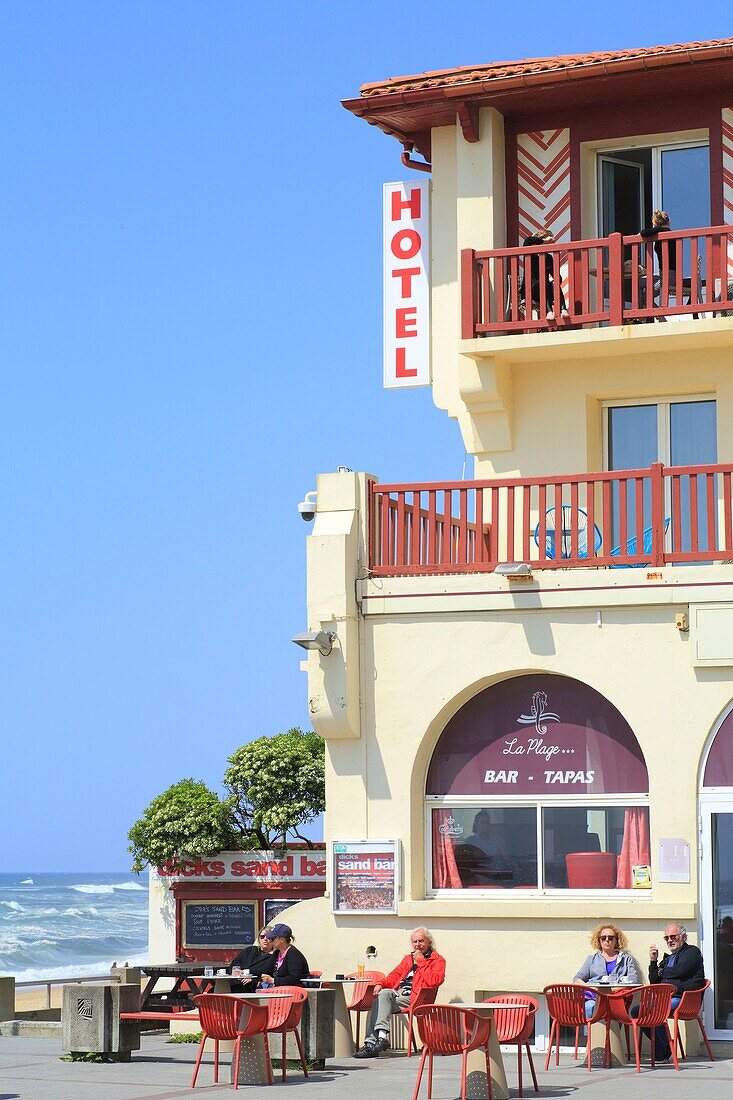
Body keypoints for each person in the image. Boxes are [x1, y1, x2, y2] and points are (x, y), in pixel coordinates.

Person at [354, 927, 445, 1058]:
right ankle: (379, 1039)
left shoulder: (437, 961)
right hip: (399, 994)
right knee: (380, 996)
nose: (418, 945)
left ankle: (373, 1043)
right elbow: (394, 976)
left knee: (380, 999)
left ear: (429, 942)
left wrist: (421, 961)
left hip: (417, 997)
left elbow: (434, 981)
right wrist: (381, 984)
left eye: (421, 941)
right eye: (415, 942)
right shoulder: (408, 959)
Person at [632, 921, 705, 1062]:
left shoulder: (692, 952)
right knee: (637, 1011)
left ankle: (663, 1049)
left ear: (683, 937)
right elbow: (654, 981)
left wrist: (662, 972)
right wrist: (653, 961)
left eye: (673, 937)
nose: (670, 940)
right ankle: (664, 1044)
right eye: (667, 938)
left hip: (684, 999)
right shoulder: (668, 959)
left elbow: (680, 970)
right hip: (666, 999)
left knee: (655, 1010)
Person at [573, 923, 640, 1017]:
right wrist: (592, 989)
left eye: (611, 938)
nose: (607, 940)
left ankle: (610, 1032)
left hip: (617, 997)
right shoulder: (592, 959)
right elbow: (577, 979)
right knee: (589, 1006)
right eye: (603, 938)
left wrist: (613, 990)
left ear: (617, 940)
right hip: (595, 997)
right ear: (599, 941)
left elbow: (634, 980)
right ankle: (589, 1032)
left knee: (616, 1012)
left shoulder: (626, 959)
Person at [520, 228, 568, 319]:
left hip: (544, 289)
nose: (548, 246)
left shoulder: (548, 258)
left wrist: (557, 279)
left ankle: (563, 309)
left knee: (553, 283)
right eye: (546, 243)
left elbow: (556, 276)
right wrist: (544, 240)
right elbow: (527, 241)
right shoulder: (531, 254)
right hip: (531, 289)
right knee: (544, 283)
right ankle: (549, 312)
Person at [258, 923, 310, 987]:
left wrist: (273, 980)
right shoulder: (277, 953)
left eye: (272, 938)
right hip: (280, 990)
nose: (269, 941)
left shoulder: (293, 954)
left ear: (282, 939)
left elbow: (295, 978)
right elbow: (266, 970)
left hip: (293, 992)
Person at [227, 926, 276, 993]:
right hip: (236, 980)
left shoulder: (274, 956)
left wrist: (252, 979)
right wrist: (237, 971)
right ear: (259, 939)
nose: (265, 939)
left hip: (252, 985)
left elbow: (266, 972)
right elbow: (235, 963)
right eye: (262, 937)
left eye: (269, 937)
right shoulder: (250, 950)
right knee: (214, 990)